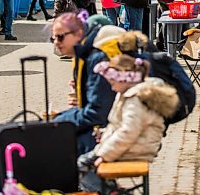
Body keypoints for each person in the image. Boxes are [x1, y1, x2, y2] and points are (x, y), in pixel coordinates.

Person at [77, 54, 179, 192]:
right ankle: (112, 189)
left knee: (81, 165)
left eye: (113, 83)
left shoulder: (135, 99)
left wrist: (103, 155)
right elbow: (121, 125)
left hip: (137, 148)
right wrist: (104, 133)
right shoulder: (129, 92)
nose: (112, 88)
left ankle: (111, 192)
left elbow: (128, 132)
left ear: (124, 78)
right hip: (136, 145)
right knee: (85, 158)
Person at [51, 13, 125, 155]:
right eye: (53, 38)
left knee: (52, 146)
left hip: (115, 133)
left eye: (60, 37)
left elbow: (98, 114)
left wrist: (60, 120)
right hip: (112, 129)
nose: (56, 42)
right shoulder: (88, 55)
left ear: (79, 33)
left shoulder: (99, 59)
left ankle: (88, 176)